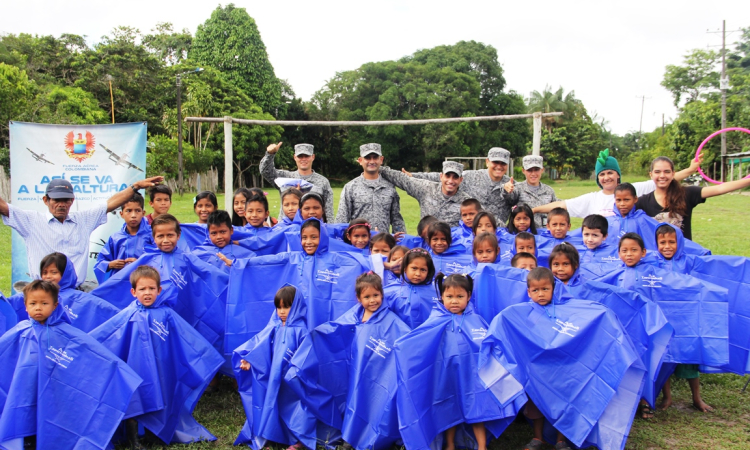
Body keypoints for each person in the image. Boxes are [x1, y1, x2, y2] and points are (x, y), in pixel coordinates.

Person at [479, 267, 646, 450]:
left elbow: (589, 318)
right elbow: (502, 326)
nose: (540, 294)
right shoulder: (518, 313)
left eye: (545, 289)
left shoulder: (568, 311)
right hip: (537, 374)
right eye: (535, 290)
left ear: (553, 288)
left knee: (565, 405)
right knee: (537, 405)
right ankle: (537, 438)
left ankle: (561, 440)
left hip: (564, 374)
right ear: (528, 292)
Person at [90, 266, 224, 447]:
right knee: (135, 401)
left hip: (162, 367)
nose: (147, 293)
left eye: (151, 289)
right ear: (133, 291)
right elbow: (108, 334)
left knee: (162, 397)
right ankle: (134, 439)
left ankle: (156, 433)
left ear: (159, 290)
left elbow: (186, 337)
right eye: (142, 289)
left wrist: (206, 356)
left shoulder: (166, 314)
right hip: (135, 368)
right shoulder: (129, 314)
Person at [0, 280, 141, 450]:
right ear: (25, 305)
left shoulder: (64, 332)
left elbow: (90, 351)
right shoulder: (21, 330)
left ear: (55, 305)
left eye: (44, 303)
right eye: (33, 303)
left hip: (55, 390)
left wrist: (117, 370)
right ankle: (27, 438)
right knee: (26, 409)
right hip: (25, 387)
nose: (38, 307)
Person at [394, 273, 521, 450]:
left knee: (479, 410)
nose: (454, 301)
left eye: (460, 296)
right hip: (447, 375)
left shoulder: (475, 320)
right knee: (448, 410)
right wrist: (402, 346)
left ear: (469, 296)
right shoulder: (436, 319)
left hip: (473, 377)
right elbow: (420, 341)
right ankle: (450, 445)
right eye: (449, 297)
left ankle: (482, 446)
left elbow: (487, 345)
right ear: (441, 297)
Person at [285, 272, 411, 450]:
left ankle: (357, 438)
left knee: (367, 403)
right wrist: (317, 336)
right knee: (345, 397)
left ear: (382, 295)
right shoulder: (354, 315)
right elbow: (336, 330)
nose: (373, 300)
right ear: (358, 298)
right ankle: (339, 433)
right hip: (350, 371)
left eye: (376, 295)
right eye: (367, 296)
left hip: (372, 376)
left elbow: (405, 339)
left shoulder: (391, 321)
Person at [0, 175, 164, 287]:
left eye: (66, 200)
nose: (62, 204)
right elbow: (4, 207)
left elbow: (111, 204)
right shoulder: (31, 221)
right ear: (46, 200)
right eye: (57, 200)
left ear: (72, 200)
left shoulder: (83, 220)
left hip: (75, 293)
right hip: (43, 292)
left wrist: (135, 187)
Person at [234, 285, 312, 449]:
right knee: (272, 404)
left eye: (287, 307)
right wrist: (250, 360)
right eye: (279, 307)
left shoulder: (302, 331)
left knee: (294, 408)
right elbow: (262, 346)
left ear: (297, 306)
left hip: (292, 382)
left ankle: (299, 440)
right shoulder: (275, 328)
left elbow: (307, 357)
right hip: (274, 379)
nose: (282, 312)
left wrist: (295, 374)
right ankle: (268, 435)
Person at [533, 148, 700, 219]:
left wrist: (691, 169)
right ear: (598, 178)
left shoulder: (634, 190)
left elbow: (664, 178)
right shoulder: (593, 199)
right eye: (602, 174)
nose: (606, 177)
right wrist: (533, 210)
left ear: (618, 175)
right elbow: (562, 205)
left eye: (610, 173)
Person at [636, 155, 750, 240]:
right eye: (657, 172)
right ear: (651, 174)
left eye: (667, 172)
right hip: (657, 261)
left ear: (673, 174)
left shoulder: (686, 193)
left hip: (686, 257)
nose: (662, 176)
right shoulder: (642, 202)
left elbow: (720, 188)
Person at [403, 147, 516, 223]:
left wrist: (508, 192)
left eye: (503, 163)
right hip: (470, 230)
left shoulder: (511, 184)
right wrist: (413, 176)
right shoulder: (471, 176)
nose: (499, 166)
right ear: (487, 162)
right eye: (495, 162)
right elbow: (439, 177)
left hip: (496, 230)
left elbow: (516, 201)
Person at [335, 143, 406, 233]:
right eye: (367, 158)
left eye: (375, 157)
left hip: (382, 244)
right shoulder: (350, 188)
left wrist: (403, 241)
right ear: (360, 160)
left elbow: (397, 220)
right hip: (359, 243)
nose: (372, 161)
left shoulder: (390, 188)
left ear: (381, 160)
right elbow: (341, 220)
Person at [380, 160, 471, 227]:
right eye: (447, 176)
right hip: (424, 245)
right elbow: (403, 179)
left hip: (451, 247)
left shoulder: (467, 202)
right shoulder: (427, 189)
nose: (450, 181)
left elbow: (480, 222)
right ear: (441, 176)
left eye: (455, 177)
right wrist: (378, 168)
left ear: (461, 180)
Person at [261, 142, 335, 222]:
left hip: (313, 228)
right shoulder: (285, 178)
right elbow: (265, 171)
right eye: (300, 156)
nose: (303, 159)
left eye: (307, 156)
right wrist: (270, 154)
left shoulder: (323, 182)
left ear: (313, 157)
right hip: (286, 228)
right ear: (295, 157)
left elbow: (329, 211)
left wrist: (329, 230)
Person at [94, 192, 153, 283]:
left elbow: (159, 260)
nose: (133, 215)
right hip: (120, 283)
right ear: (121, 214)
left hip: (145, 283)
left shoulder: (152, 235)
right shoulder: (115, 238)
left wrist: (140, 263)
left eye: (137, 210)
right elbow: (100, 263)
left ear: (143, 213)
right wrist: (110, 264)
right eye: (129, 211)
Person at [384, 248, 437, 328]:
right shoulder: (391, 291)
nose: (418, 274)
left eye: (423, 270)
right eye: (414, 268)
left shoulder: (437, 291)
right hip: (401, 337)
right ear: (405, 268)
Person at [504, 155, 559, 228]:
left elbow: (556, 209)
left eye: (536, 169)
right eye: (529, 170)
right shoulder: (517, 188)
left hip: (544, 232)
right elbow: (509, 199)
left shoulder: (549, 191)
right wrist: (506, 190)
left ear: (542, 170)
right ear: (523, 171)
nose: (533, 173)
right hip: (524, 234)